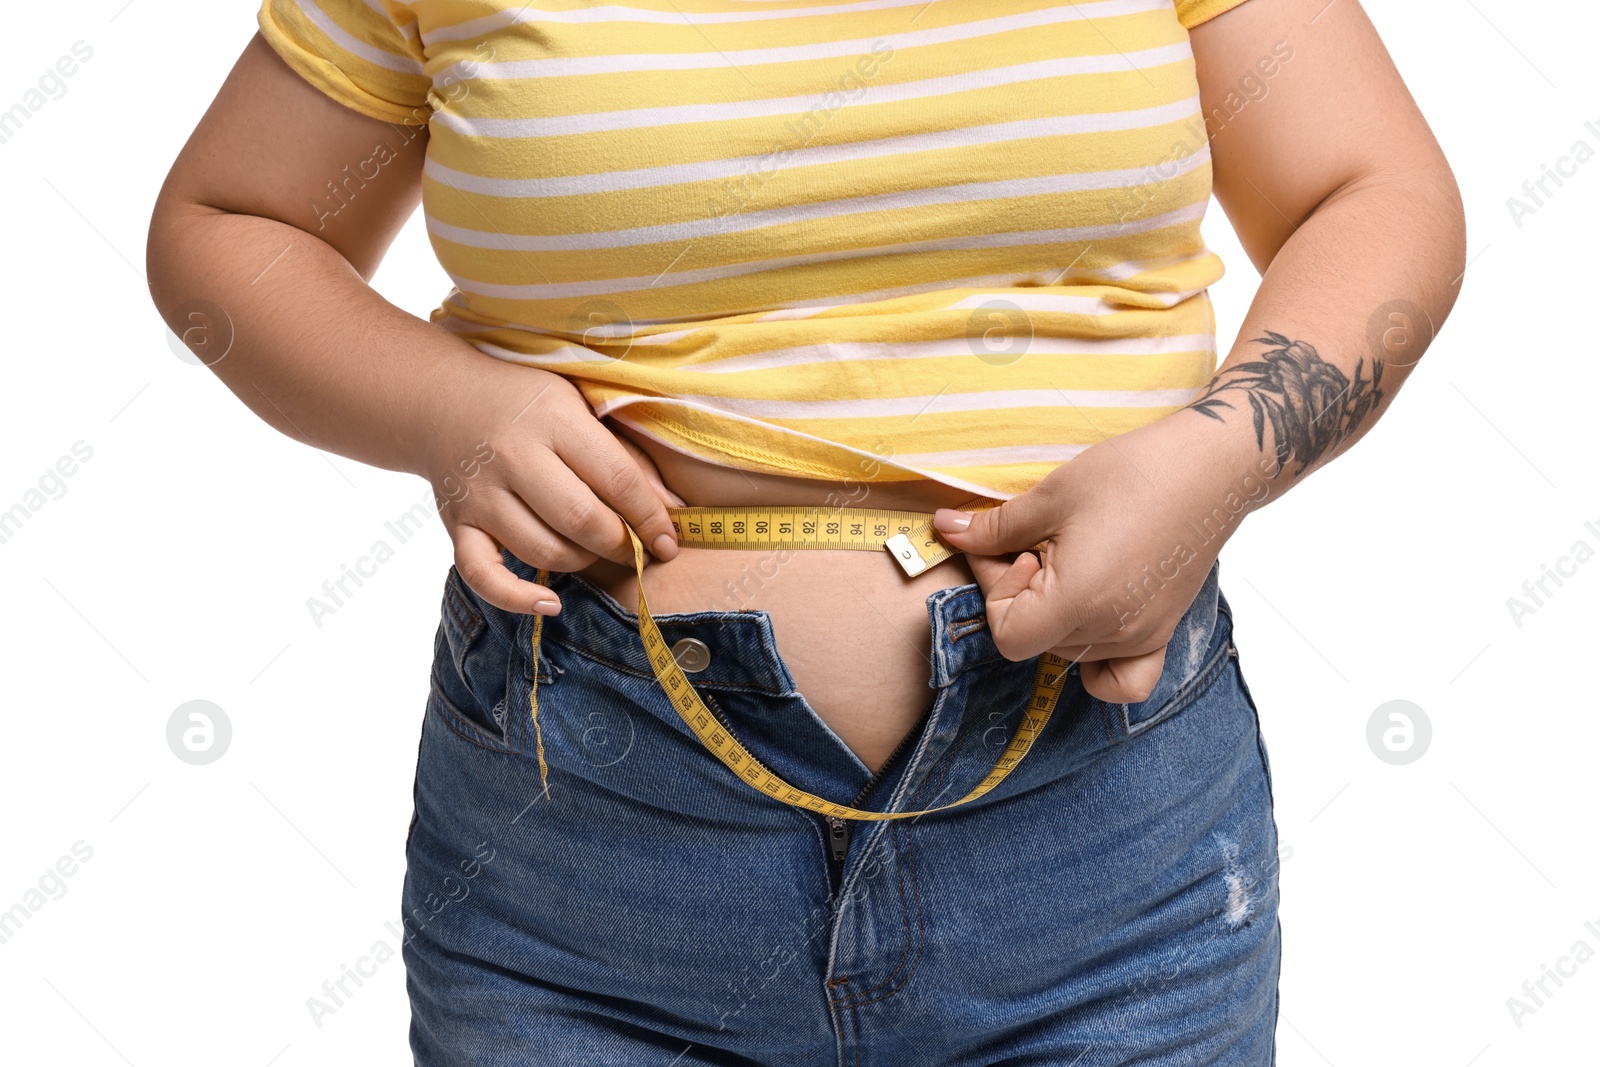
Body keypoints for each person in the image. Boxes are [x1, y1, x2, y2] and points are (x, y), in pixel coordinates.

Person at [147, 0, 1464, 1060]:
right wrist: (443, 409)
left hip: (1107, 832)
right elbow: (228, 226)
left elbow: (1372, 188)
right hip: (590, 858)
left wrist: (1225, 454)